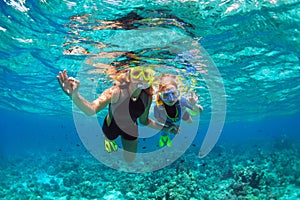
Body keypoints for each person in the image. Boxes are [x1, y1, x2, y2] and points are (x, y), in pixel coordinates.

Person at [57, 67, 177, 163]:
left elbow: (144, 121)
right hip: (111, 127)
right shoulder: (114, 92)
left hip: (131, 130)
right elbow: (91, 110)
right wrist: (74, 96)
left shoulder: (148, 97)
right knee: (108, 145)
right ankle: (107, 139)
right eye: (136, 74)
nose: (141, 78)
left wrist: (166, 128)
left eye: (146, 74)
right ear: (129, 75)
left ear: (151, 78)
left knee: (129, 160)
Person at [154, 75, 203, 147]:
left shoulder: (182, 100)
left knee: (190, 121)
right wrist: (171, 125)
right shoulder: (158, 107)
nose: (171, 99)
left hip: (180, 113)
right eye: (165, 95)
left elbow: (200, 111)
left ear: (178, 93)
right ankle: (164, 138)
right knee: (165, 130)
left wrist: (194, 105)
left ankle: (187, 110)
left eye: (174, 94)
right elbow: (158, 119)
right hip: (168, 121)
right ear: (160, 96)